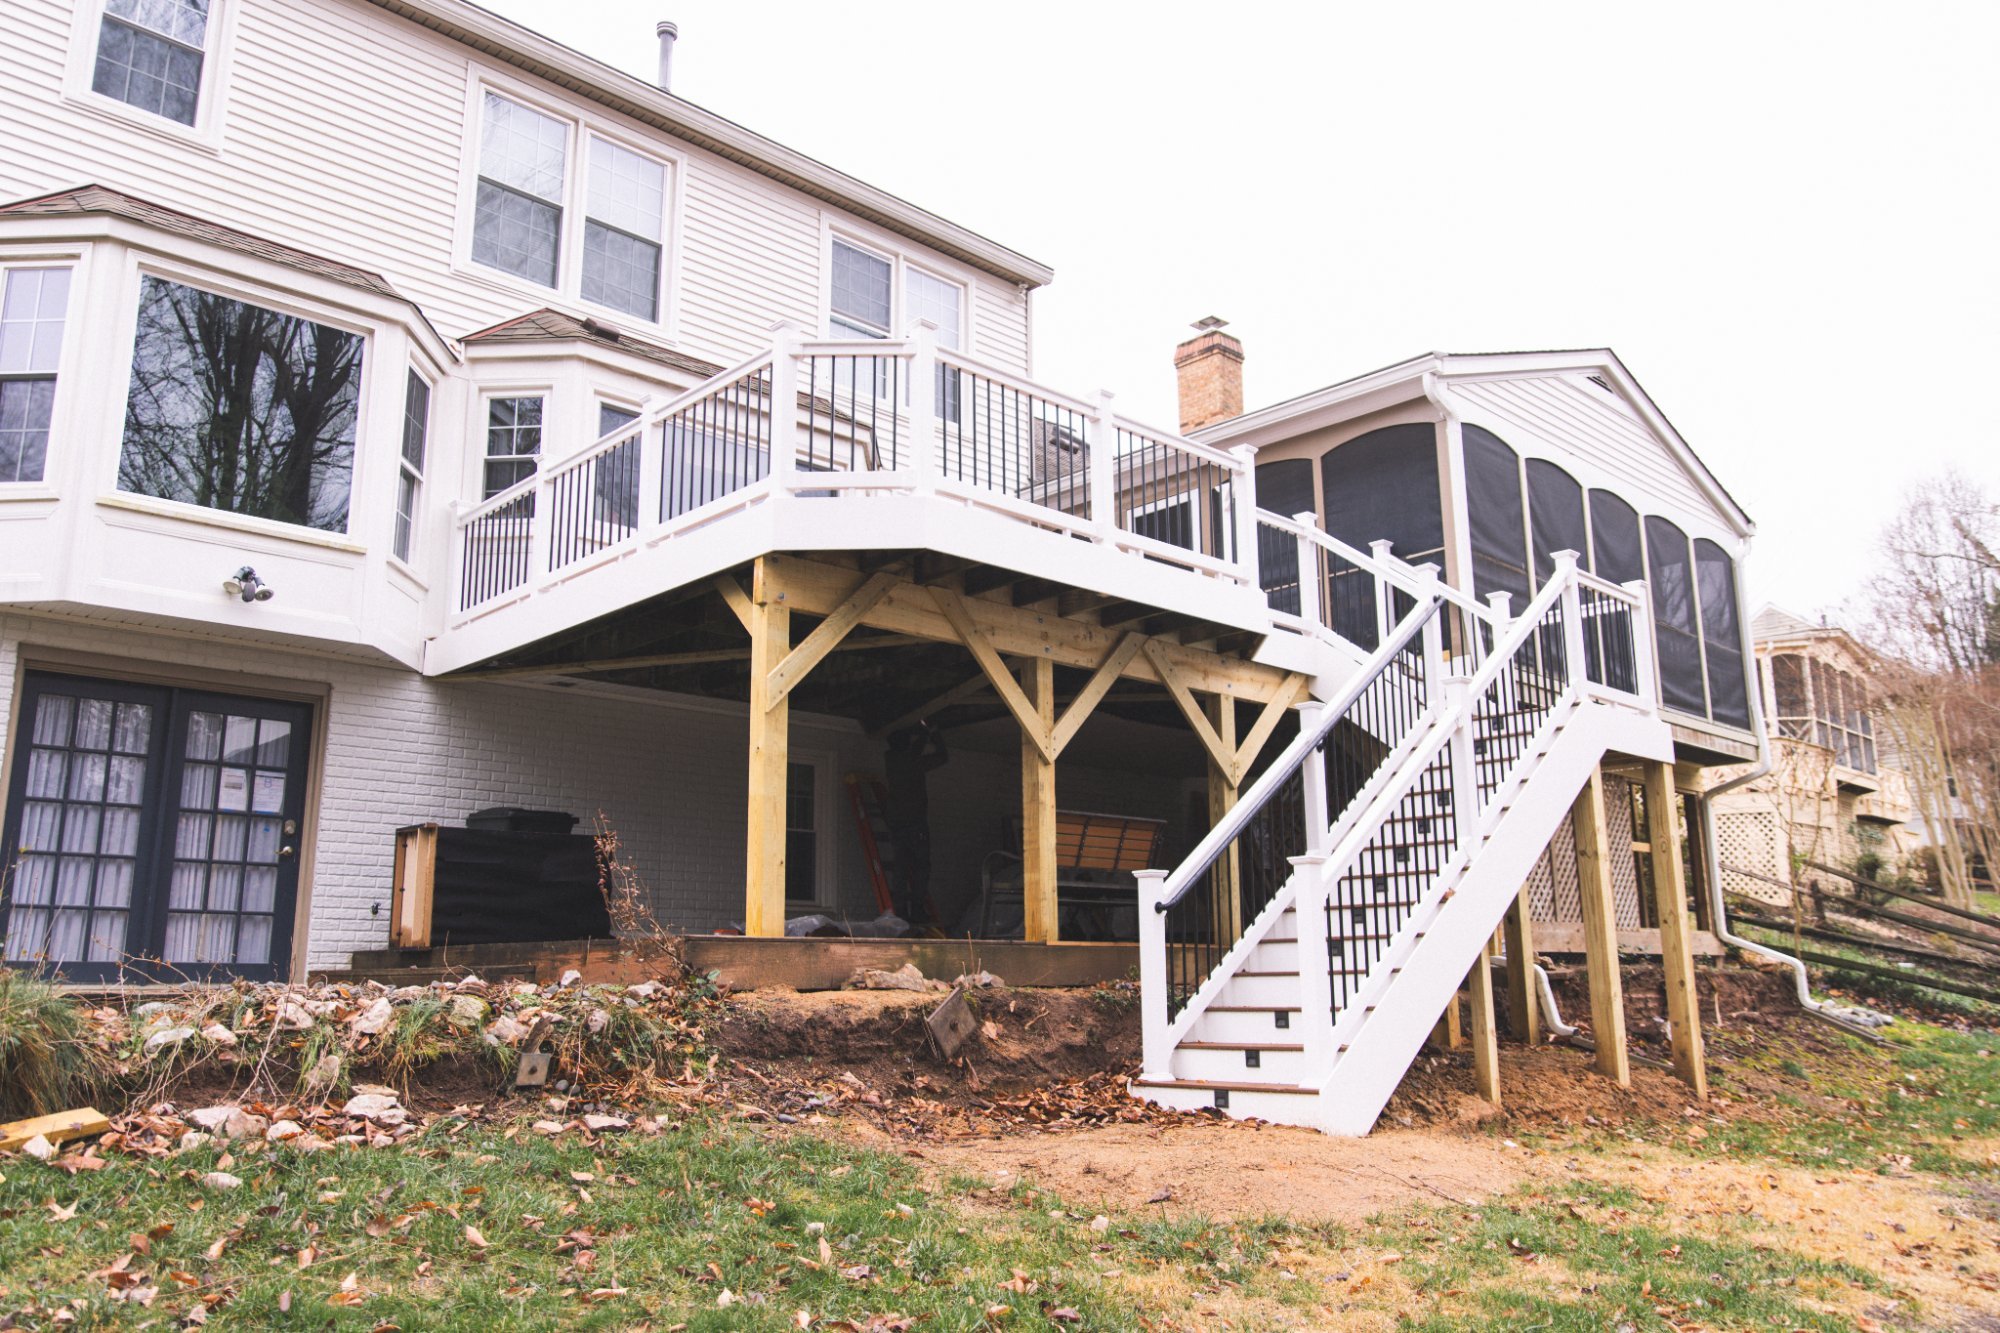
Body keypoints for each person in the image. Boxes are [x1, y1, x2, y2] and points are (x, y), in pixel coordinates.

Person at [883, 723, 948, 927]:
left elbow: (912, 751)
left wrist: (921, 737)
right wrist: (934, 734)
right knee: (921, 867)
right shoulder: (912, 761)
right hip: (915, 823)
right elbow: (943, 757)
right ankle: (917, 909)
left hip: (897, 823)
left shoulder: (891, 759)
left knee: (901, 867)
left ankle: (901, 910)